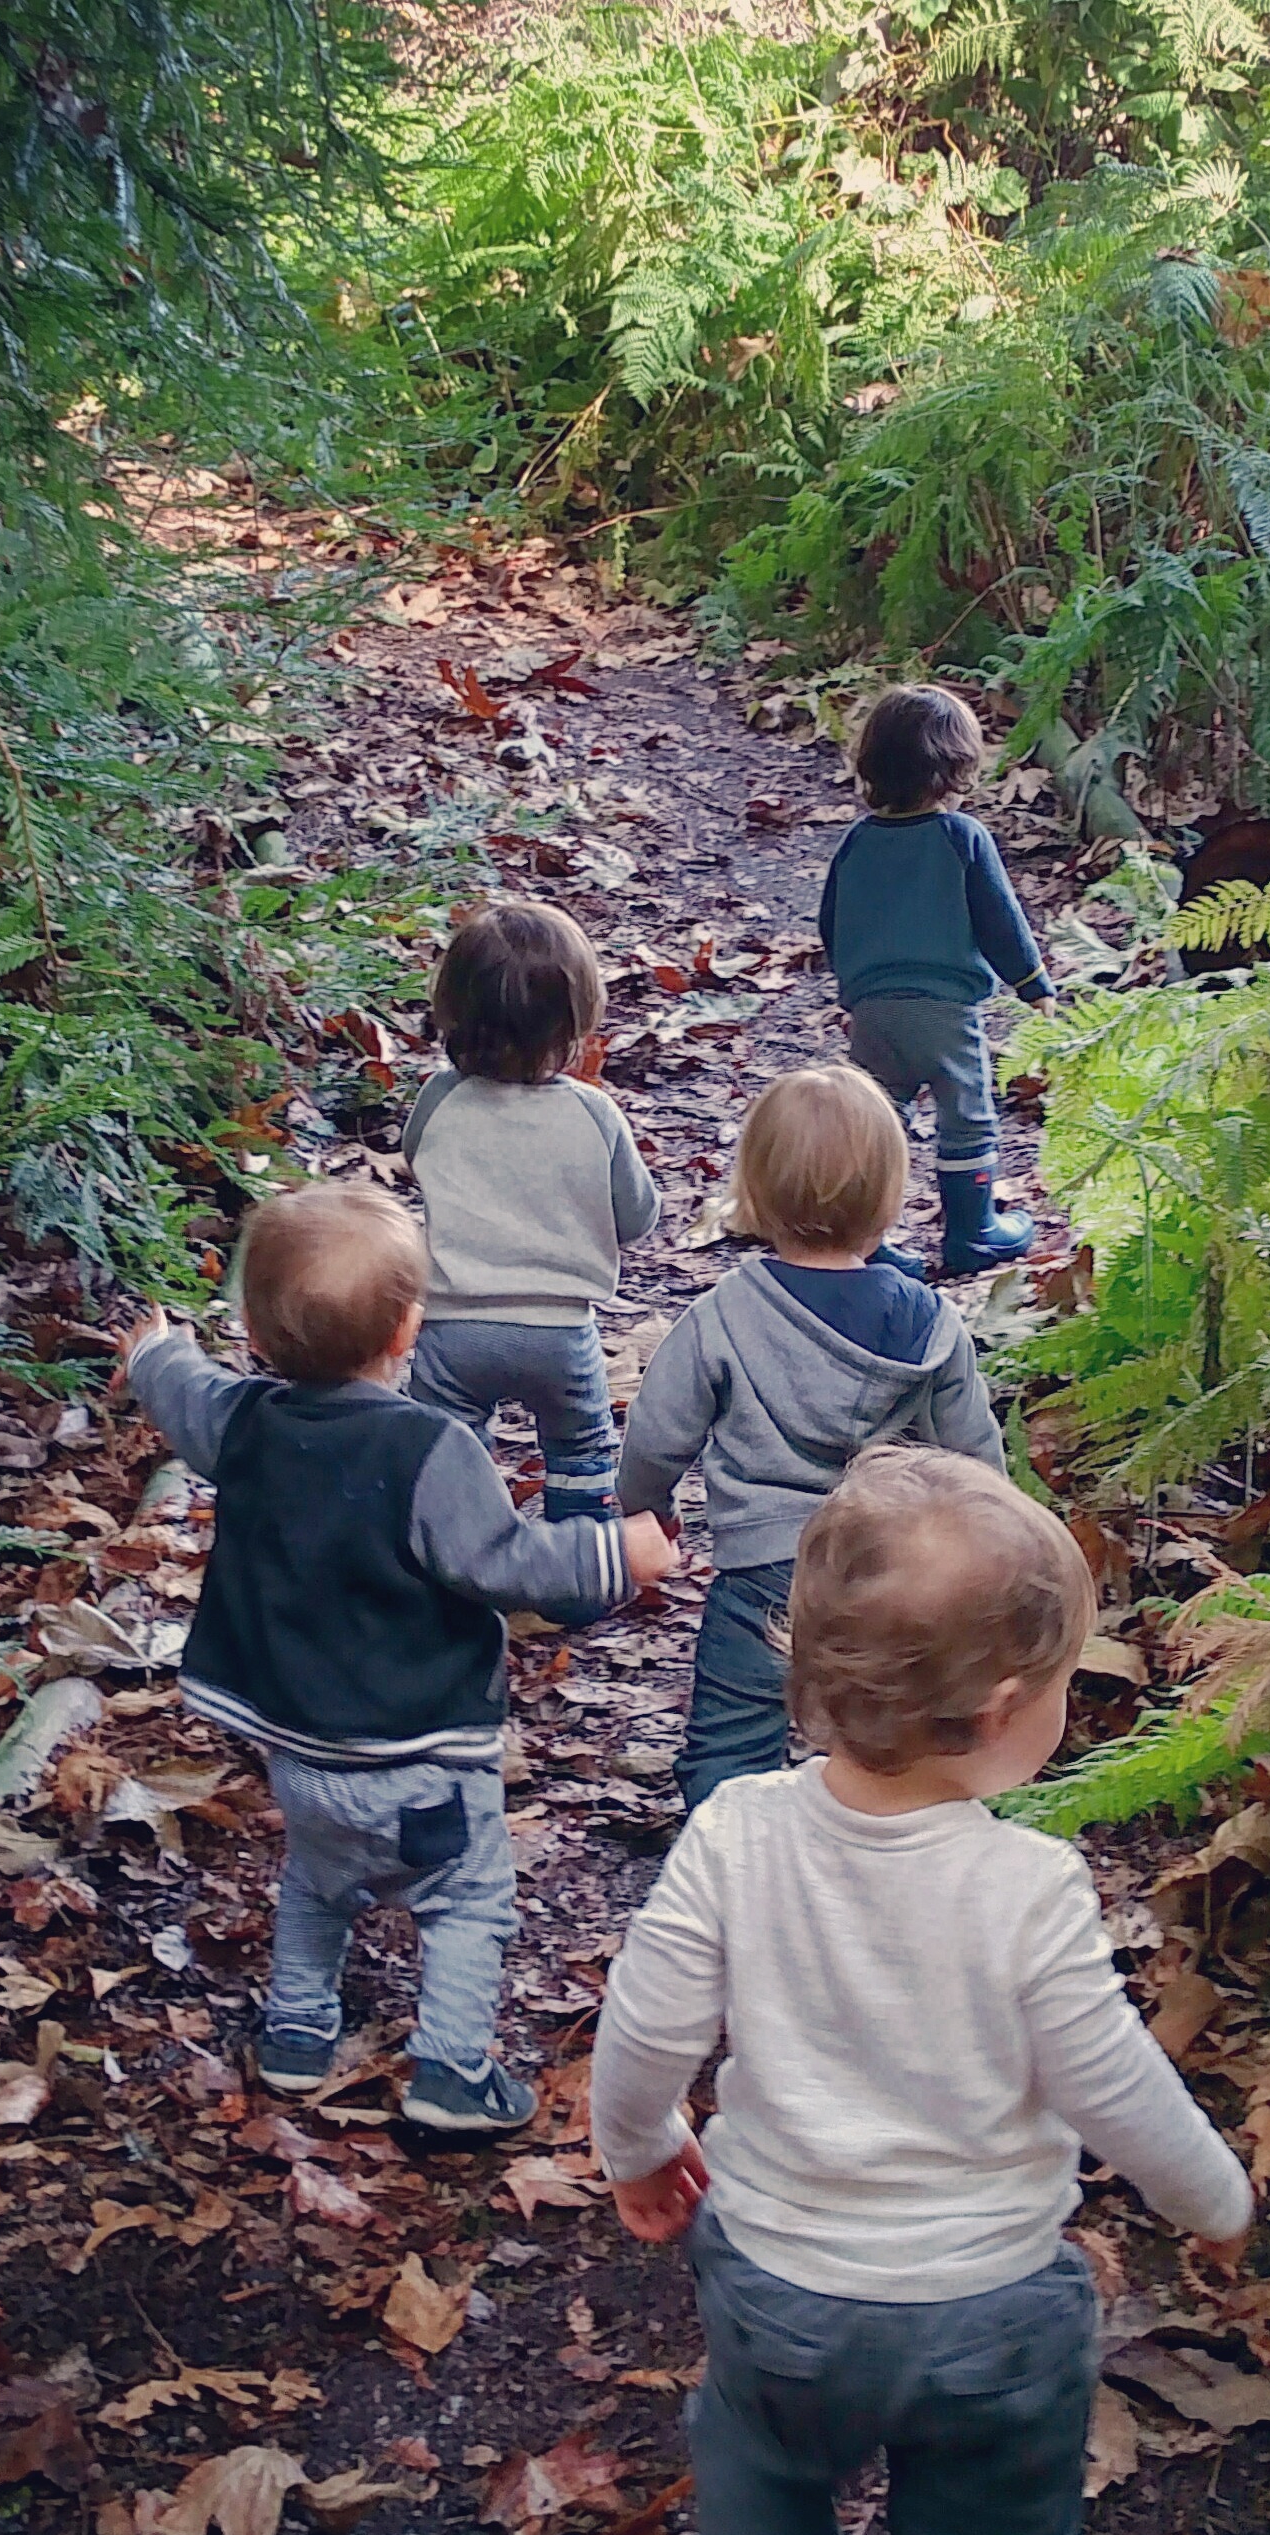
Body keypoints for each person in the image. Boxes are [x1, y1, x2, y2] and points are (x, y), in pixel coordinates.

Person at [591, 1448, 1253, 2535]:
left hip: (782, 2281)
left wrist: (641, 2147)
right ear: (1006, 1711)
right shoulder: (1026, 1887)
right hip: (989, 2312)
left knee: (756, 2448)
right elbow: (1110, 2081)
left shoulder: (737, 1834)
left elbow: (645, 2025)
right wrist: (1210, 2196)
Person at [122, 1181, 676, 2136]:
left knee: (317, 1883)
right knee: (466, 1901)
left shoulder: (244, 1422)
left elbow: (184, 1393)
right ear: (408, 1328)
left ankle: (296, 2033)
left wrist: (153, 1349)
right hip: (420, 1758)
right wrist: (614, 1555)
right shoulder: (431, 1449)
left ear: (255, 1332)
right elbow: (502, 1562)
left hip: (300, 1752)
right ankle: (451, 2069)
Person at [616, 1064, 1005, 1813]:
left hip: (762, 1573)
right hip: (883, 1569)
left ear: (754, 1195)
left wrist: (644, 1505)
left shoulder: (725, 1314)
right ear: (890, 1198)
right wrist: (987, 1559)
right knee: (884, 1738)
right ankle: (872, 1845)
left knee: (731, 1743)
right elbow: (974, 1457)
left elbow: (658, 1431)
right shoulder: (929, 1323)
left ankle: (727, 1861)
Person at [404, 898, 660, 1521]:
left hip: (454, 1326)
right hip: (559, 1329)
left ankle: (460, 1548)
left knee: (446, 1449)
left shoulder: (439, 1098)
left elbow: (417, 1160)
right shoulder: (595, 1115)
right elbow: (637, 1217)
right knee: (581, 1452)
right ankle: (578, 1557)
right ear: (575, 1022)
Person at [817, 681, 1054, 1280]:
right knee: (966, 1114)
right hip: (945, 1010)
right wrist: (1033, 985)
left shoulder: (856, 842)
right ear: (955, 768)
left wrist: (854, 986)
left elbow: (832, 919)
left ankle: (868, 1240)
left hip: (874, 1011)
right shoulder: (960, 837)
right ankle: (973, 1232)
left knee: (879, 1120)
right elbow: (999, 919)